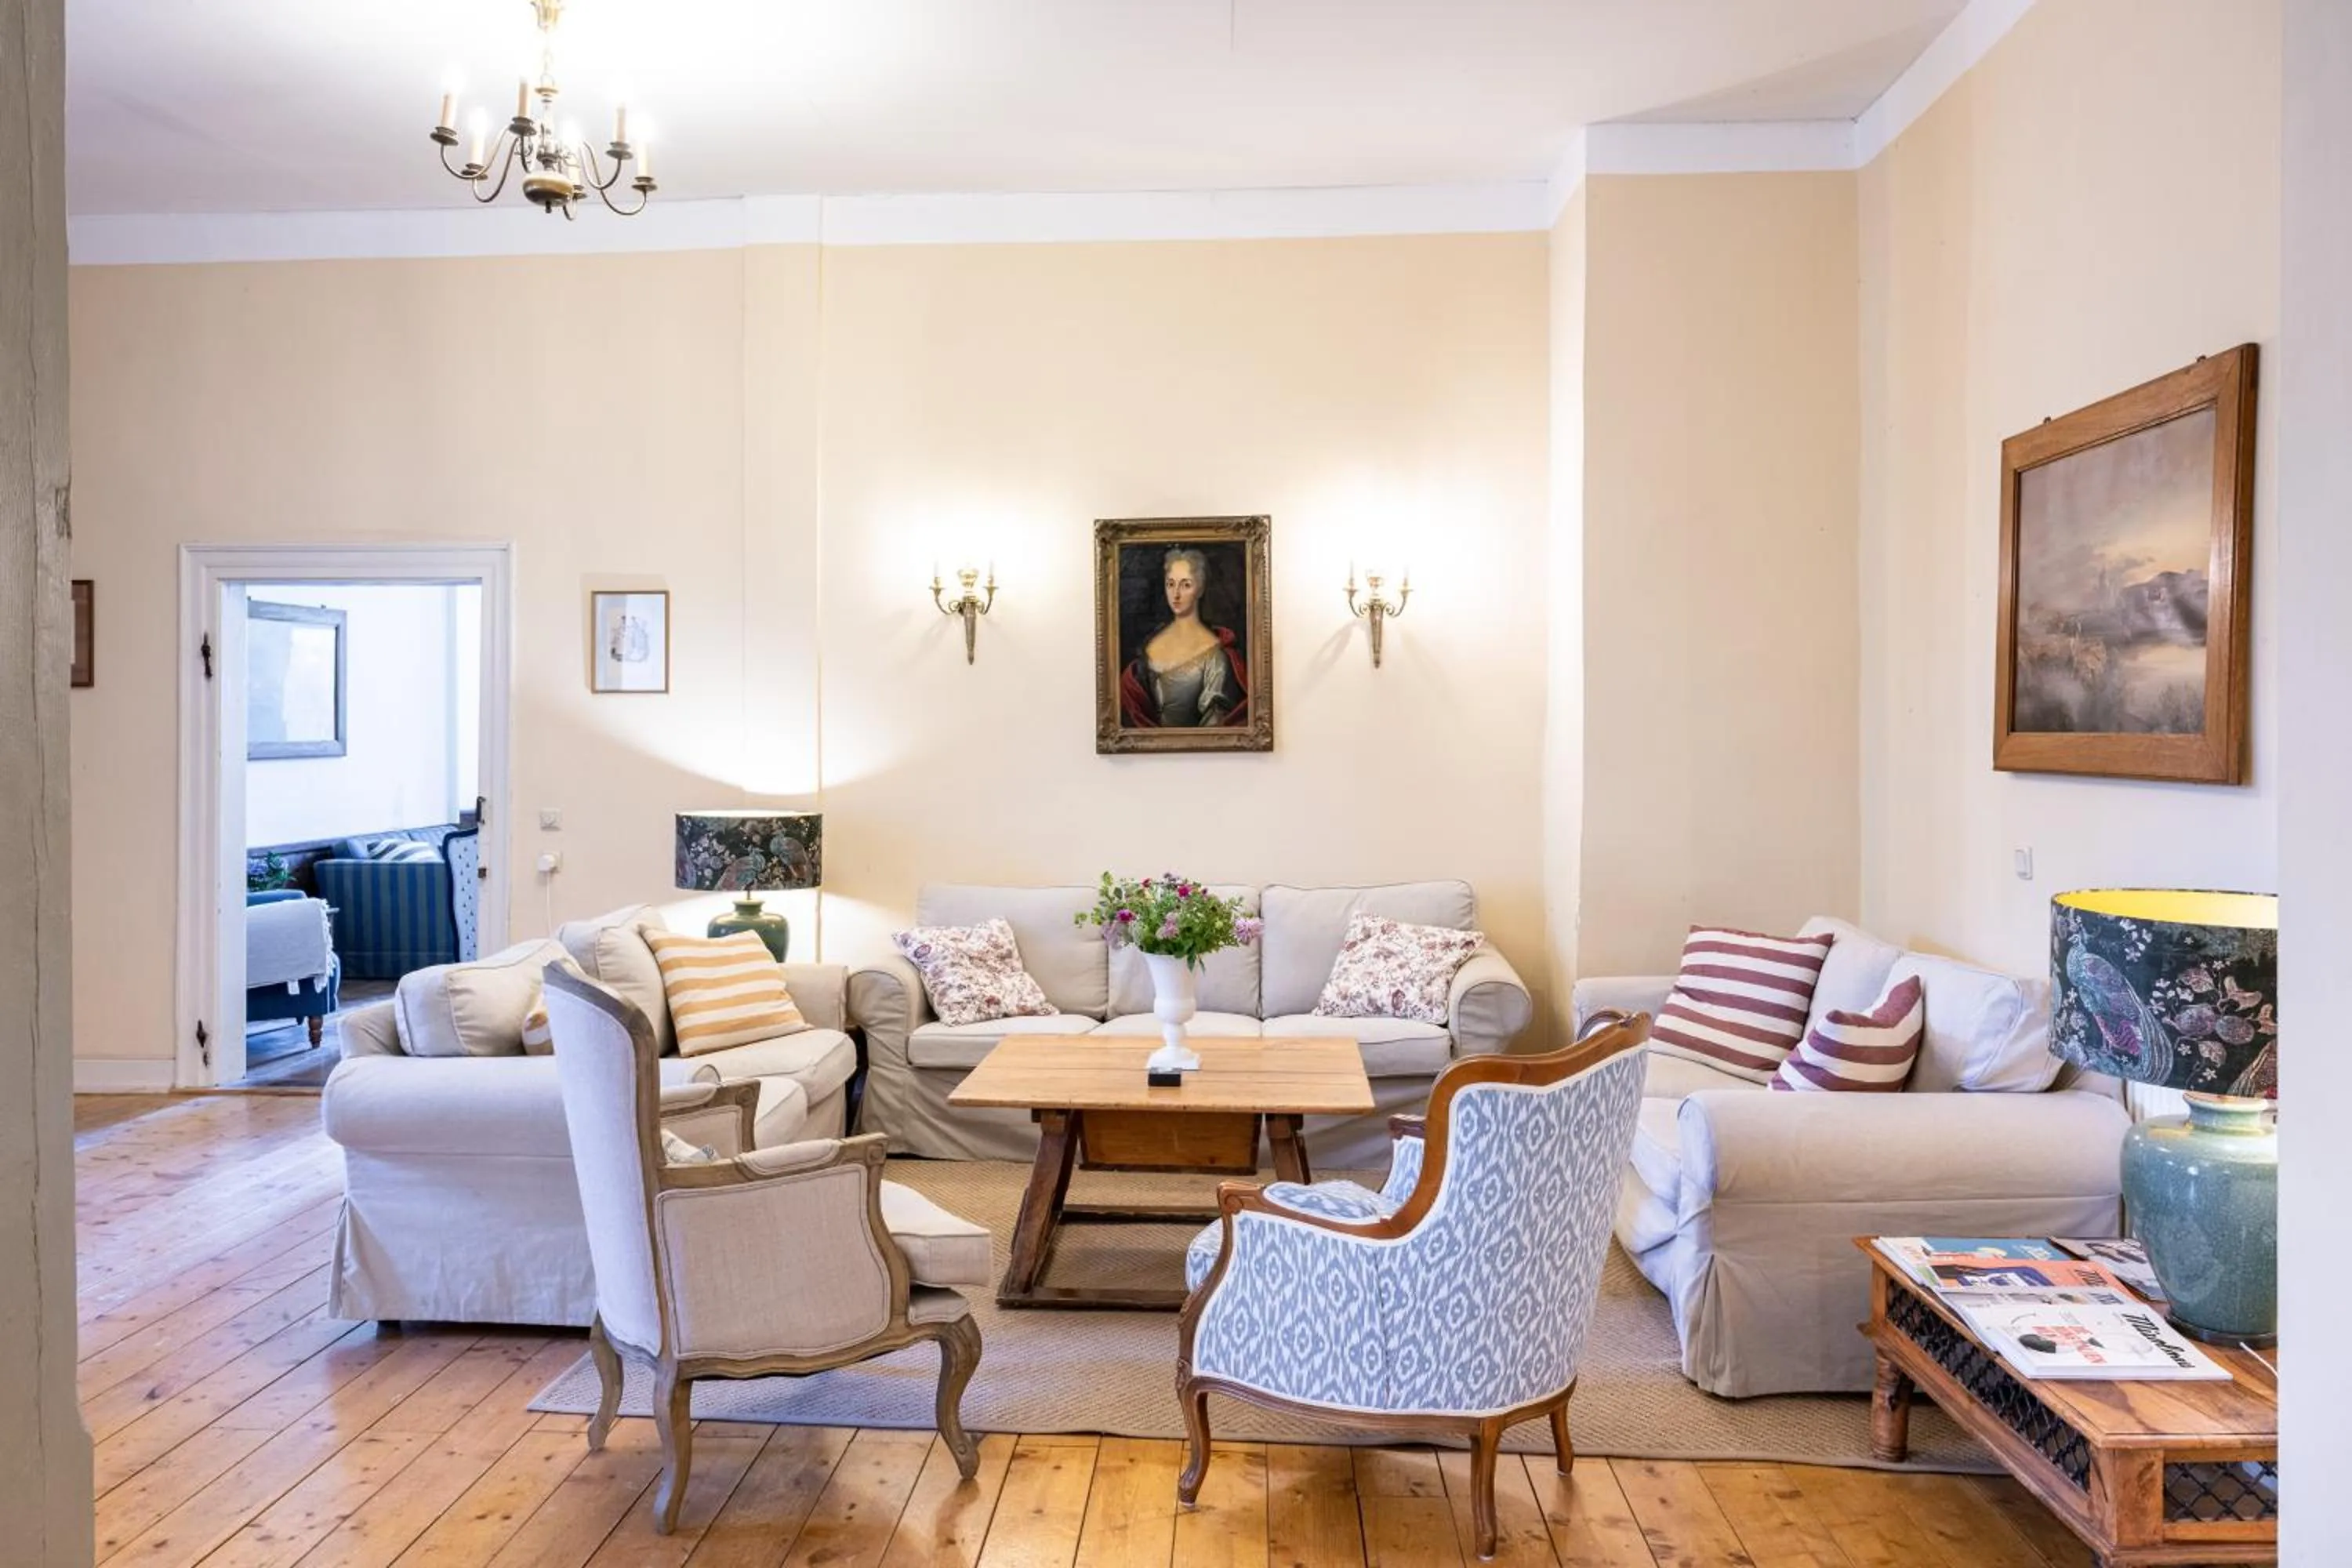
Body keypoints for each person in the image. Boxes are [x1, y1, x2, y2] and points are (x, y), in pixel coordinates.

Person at [1120, 546, 1250, 728]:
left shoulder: (1215, 656)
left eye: (1186, 585)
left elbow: (1214, 727)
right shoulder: (1152, 642)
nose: (1176, 594)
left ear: (1200, 588)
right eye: (1170, 584)